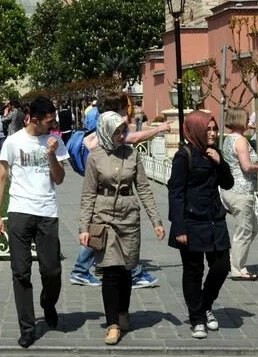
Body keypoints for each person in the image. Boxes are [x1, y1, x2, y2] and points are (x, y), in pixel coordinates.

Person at [79, 111, 165, 345]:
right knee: (110, 270)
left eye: (122, 131)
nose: (120, 136)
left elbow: (144, 189)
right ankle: (113, 324)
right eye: (116, 132)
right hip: (103, 215)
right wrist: (83, 227)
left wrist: (156, 221)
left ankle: (124, 312)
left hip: (129, 215)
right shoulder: (95, 156)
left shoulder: (132, 154)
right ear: (106, 130)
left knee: (127, 269)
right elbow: (88, 194)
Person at [0, 96, 69, 349]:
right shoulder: (13, 142)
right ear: (34, 119)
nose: (53, 125)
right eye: (49, 121)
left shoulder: (54, 141)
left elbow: (59, 179)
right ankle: (27, 327)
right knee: (21, 272)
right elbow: (1, 178)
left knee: (52, 270)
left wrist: (51, 155)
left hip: (47, 212)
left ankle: (48, 303)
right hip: (20, 212)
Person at [168, 112, 233, 339]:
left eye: (214, 129)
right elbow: (175, 192)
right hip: (191, 221)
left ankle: (205, 305)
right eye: (209, 130)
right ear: (197, 130)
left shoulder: (214, 153)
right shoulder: (183, 156)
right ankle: (197, 318)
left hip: (215, 219)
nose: (213, 133)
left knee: (221, 266)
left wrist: (220, 162)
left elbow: (228, 182)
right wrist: (179, 228)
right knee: (194, 271)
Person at [219, 107, 258, 281]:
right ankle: (238, 268)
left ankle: (234, 260)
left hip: (231, 190)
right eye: (246, 119)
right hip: (241, 191)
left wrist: (257, 162)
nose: (249, 122)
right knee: (244, 231)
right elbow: (246, 167)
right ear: (240, 121)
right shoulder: (241, 140)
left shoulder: (228, 139)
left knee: (252, 228)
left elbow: (240, 162)